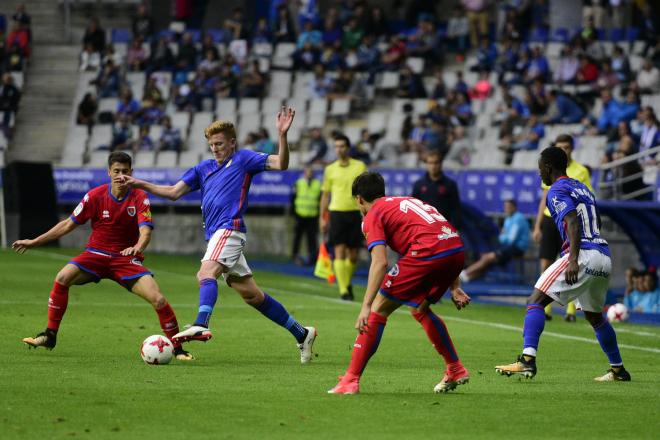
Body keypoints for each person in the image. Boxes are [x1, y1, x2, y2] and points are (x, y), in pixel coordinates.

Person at [114, 108, 318, 364]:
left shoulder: (244, 159)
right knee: (252, 296)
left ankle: (201, 323)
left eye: (220, 143)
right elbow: (174, 192)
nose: (215, 148)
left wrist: (282, 135)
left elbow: (281, 163)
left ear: (232, 142)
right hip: (215, 236)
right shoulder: (203, 168)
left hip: (229, 229)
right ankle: (302, 333)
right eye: (211, 144)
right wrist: (140, 183)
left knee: (205, 273)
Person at [15, 152, 193, 361]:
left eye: (125, 171)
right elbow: (67, 224)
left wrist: (137, 247)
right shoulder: (94, 196)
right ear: (108, 172)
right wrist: (35, 241)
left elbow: (146, 231)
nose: (120, 175)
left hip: (125, 259)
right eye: (116, 171)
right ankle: (50, 335)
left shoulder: (139, 197)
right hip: (95, 255)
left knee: (159, 299)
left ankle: (178, 349)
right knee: (62, 277)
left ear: (131, 173)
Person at [495, 146, 630, 382]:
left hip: (583, 255)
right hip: (603, 255)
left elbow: (572, 222)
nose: (540, 175)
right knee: (595, 317)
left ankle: (527, 360)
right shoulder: (583, 188)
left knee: (535, 300)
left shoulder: (556, 190)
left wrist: (574, 260)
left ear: (548, 167)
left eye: (540, 169)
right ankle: (618, 370)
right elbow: (594, 219)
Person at [328, 172, 471, 394]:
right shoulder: (407, 200)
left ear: (359, 199)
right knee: (420, 308)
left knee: (377, 310)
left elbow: (380, 262)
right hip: (456, 251)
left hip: (427, 252)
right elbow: (441, 235)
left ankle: (350, 380)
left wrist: (366, 305)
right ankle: (455, 368)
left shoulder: (372, 214)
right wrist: (454, 286)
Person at [532, 134, 591, 322]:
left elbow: (586, 197)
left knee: (570, 261)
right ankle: (546, 309)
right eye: (560, 147)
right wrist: (537, 225)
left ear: (572, 148)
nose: (564, 150)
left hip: (569, 220)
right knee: (546, 263)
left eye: (566, 146)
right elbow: (545, 198)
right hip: (551, 220)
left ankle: (570, 311)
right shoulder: (550, 170)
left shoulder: (580, 171)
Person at [320, 134, 368, 301]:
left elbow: (365, 191)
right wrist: (322, 217)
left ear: (348, 148)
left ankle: (346, 282)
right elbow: (325, 195)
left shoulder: (360, 166)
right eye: (336, 146)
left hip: (355, 213)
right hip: (337, 213)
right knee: (339, 251)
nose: (339, 149)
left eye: (342, 146)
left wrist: (366, 214)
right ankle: (344, 290)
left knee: (353, 254)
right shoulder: (330, 169)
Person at [460, 199, 530, 283]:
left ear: (515, 207)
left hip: (517, 248)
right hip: (508, 247)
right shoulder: (508, 219)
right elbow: (504, 236)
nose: (507, 209)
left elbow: (511, 239)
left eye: (509, 207)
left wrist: (501, 237)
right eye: (505, 207)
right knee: (487, 262)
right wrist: (503, 237)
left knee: (487, 258)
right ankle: (467, 278)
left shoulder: (518, 218)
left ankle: (463, 274)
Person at [411, 150, 461, 229]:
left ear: (441, 164)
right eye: (430, 163)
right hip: (424, 228)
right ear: (426, 164)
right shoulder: (419, 185)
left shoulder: (450, 184)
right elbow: (414, 209)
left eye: (436, 163)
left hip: (444, 229)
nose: (433, 166)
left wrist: (454, 228)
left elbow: (455, 209)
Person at [291, 166, 321, 266]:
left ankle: (312, 258)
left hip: (313, 216)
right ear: (304, 173)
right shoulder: (299, 183)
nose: (309, 174)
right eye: (308, 172)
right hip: (300, 215)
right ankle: (294, 256)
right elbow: (292, 199)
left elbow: (320, 200)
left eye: (311, 172)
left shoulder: (317, 184)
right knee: (297, 237)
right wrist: (294, 214)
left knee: (312, 238)